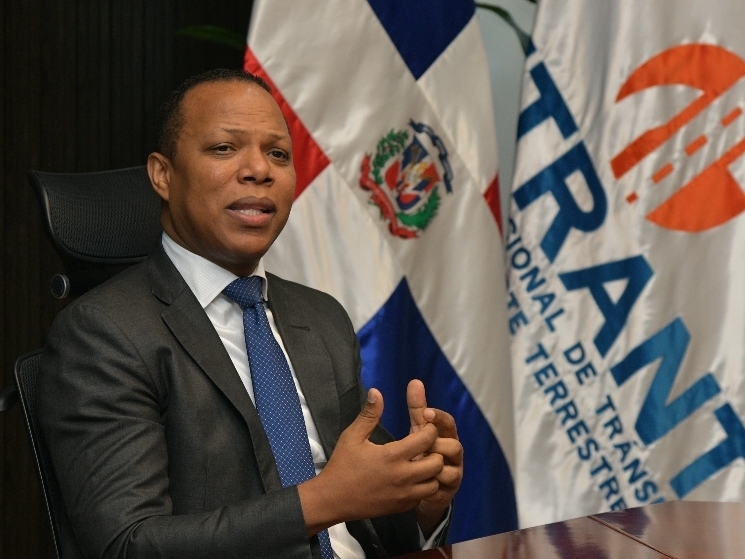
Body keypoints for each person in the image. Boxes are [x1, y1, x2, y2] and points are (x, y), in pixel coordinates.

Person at [37, 68, 463, 559]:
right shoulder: (104, 333)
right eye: (224, 148)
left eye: (278, 154)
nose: (260, 169)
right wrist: (323, 499)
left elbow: (369, 520)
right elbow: (127, 546)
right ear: (163, 175)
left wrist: (423, 501)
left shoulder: (320, 318)